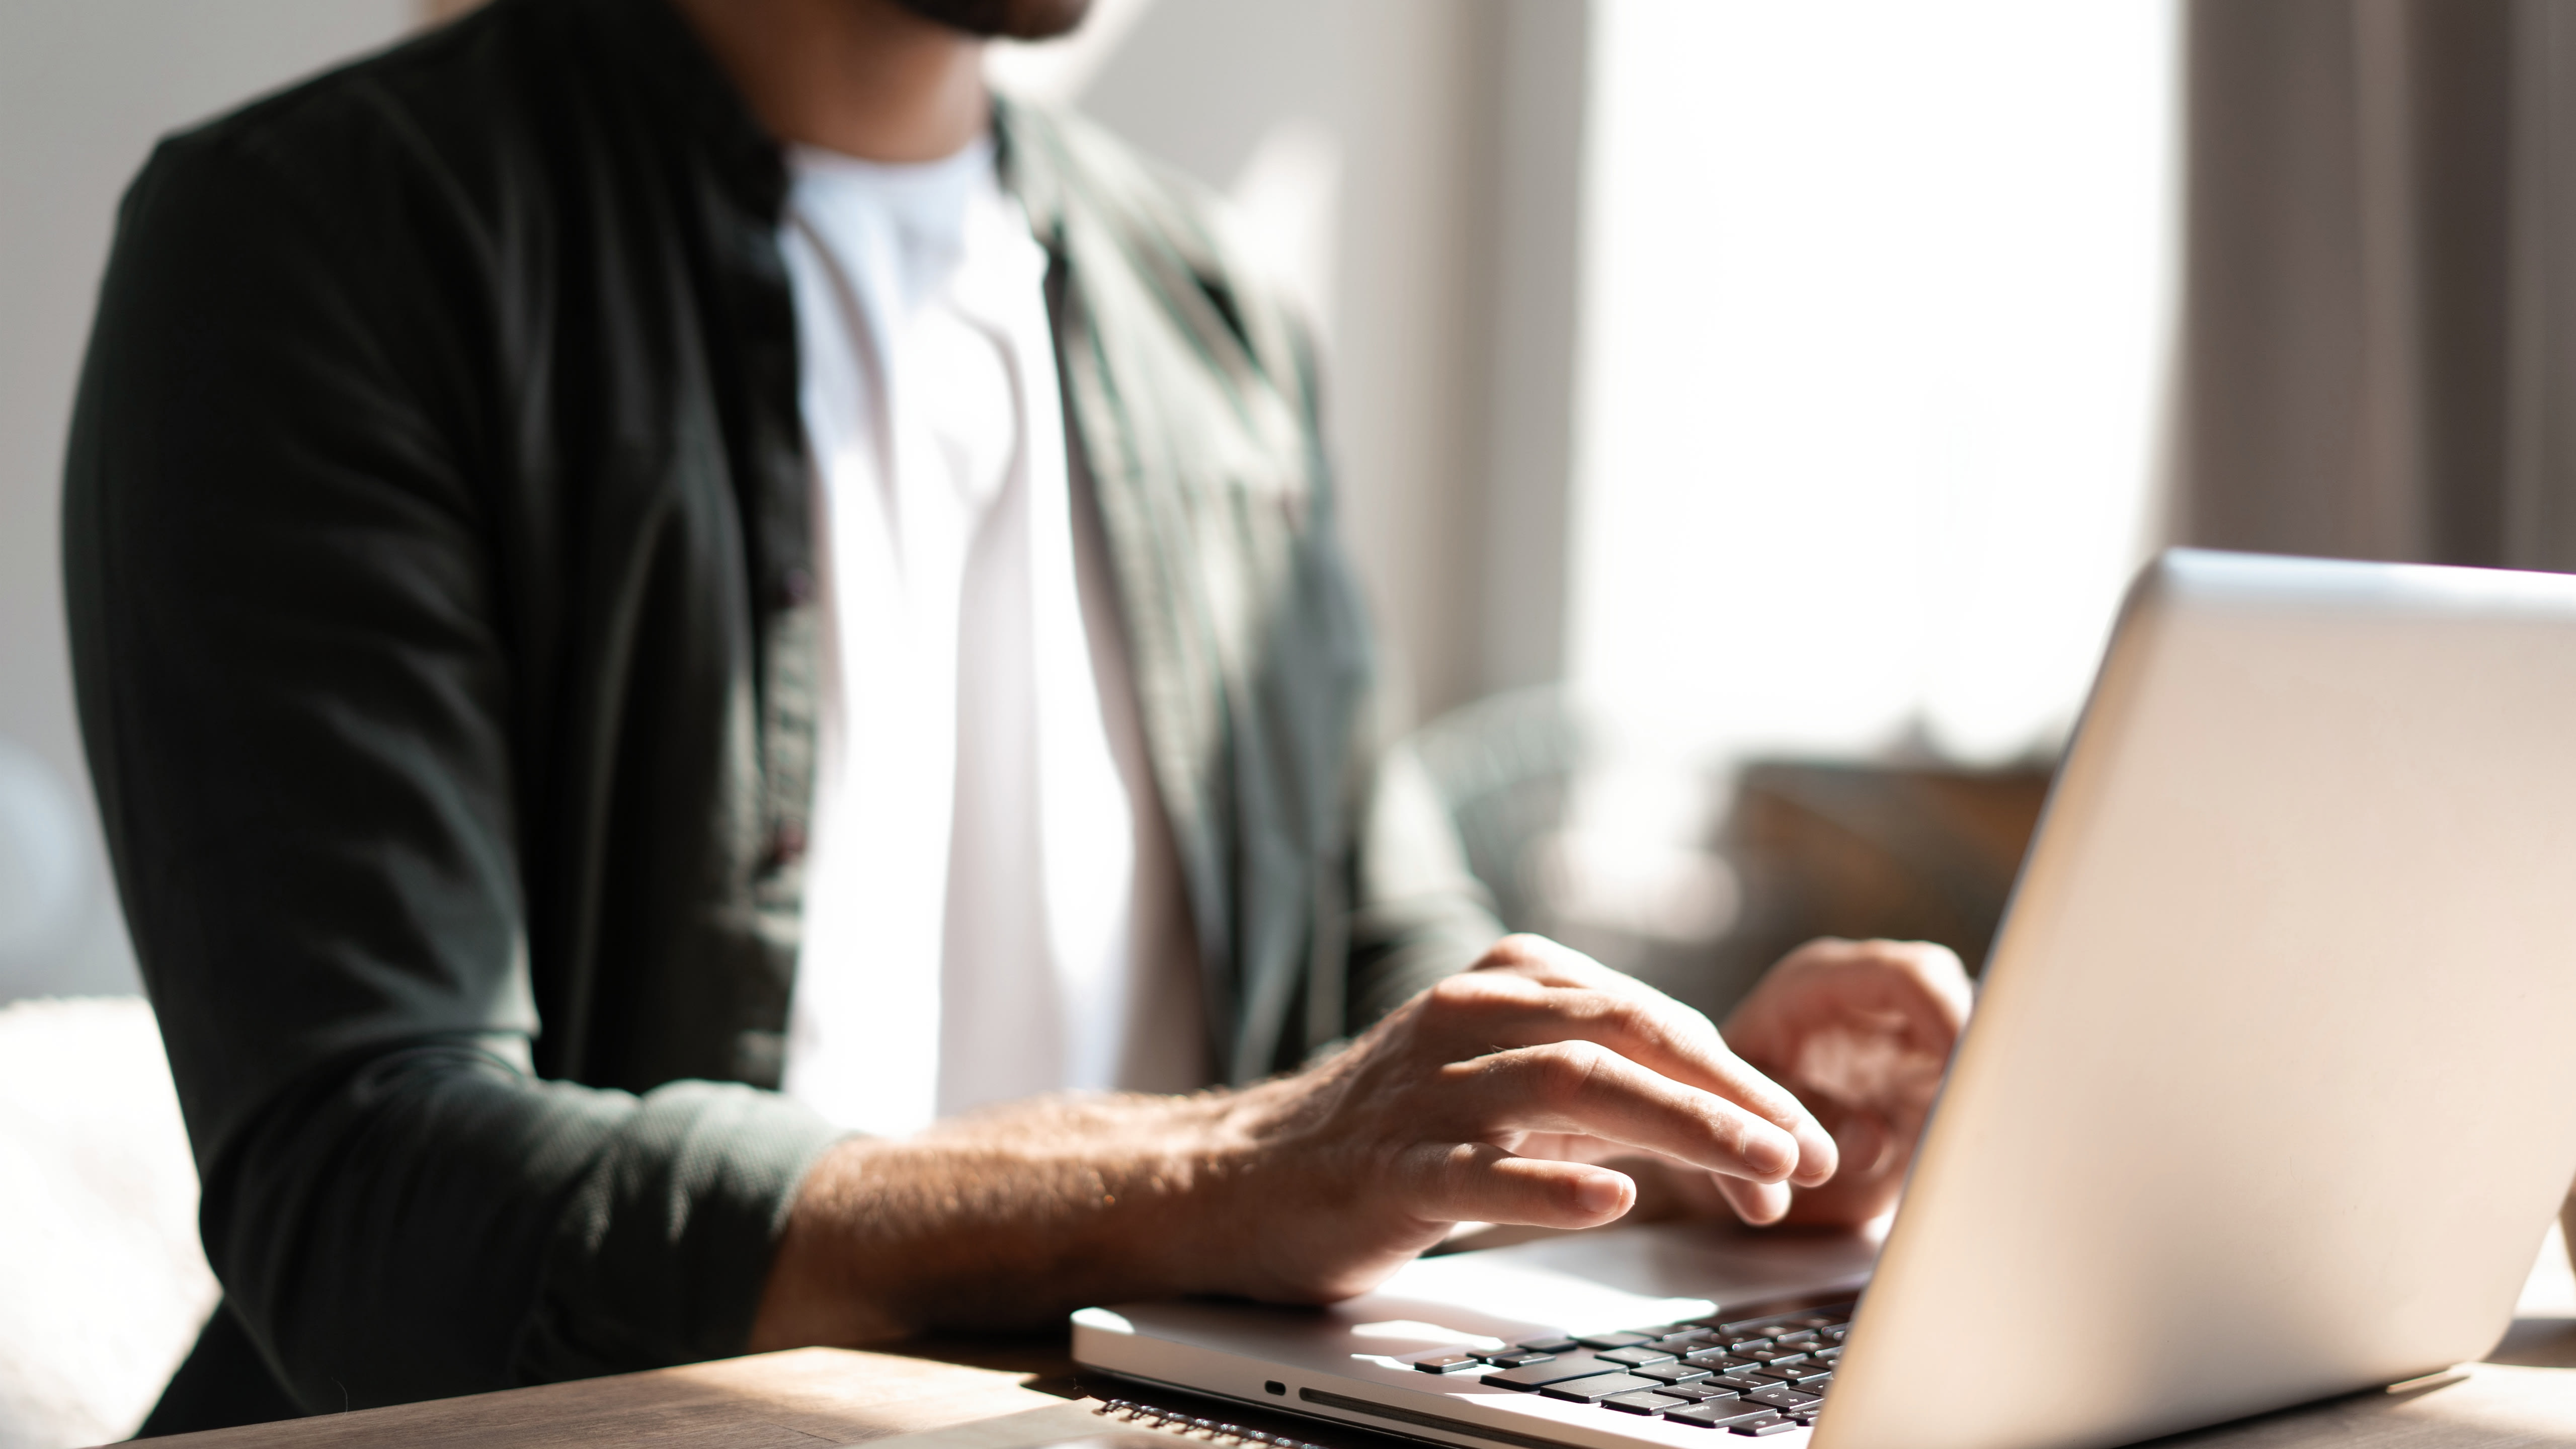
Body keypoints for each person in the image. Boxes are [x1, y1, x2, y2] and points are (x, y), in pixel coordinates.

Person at [61, 0, 1972, 1435]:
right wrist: (1218, 1181)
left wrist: (1690, 1117)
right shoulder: (320, 244)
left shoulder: (1204, 304)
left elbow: (1379, 979)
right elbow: (378, 1194)